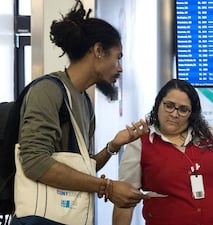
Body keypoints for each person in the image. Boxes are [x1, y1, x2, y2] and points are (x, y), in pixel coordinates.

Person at [11, 1, 148, 224]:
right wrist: (107, 187)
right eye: (118, 57)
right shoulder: (47, 91)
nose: (120, 67)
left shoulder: (84, 101)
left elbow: (80, 167)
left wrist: (113, 146)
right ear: (98, 51)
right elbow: (34, 162)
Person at [112, 79, 213, 225]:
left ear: (192, 113)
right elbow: (124, 199)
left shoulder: (212, 135)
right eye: (169, 106)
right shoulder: (140, 143)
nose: (174, 114)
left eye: (183, 109)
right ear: (158, 104)